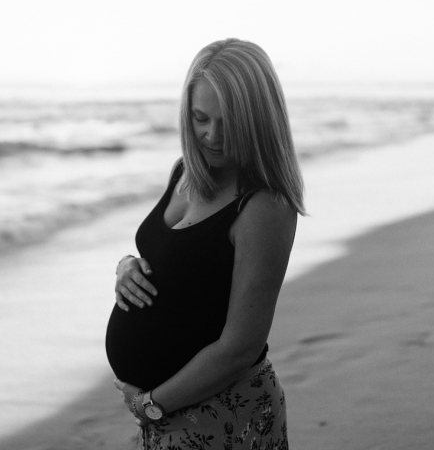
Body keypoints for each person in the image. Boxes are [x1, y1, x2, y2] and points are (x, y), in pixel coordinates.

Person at [105, 38, 305, 449]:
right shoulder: (185, 173)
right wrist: (126, 266)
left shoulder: (264, 205)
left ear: (259, 119)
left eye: (229, 122)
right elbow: (167, 255)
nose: (212, 136)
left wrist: (151, 405)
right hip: (172, 413)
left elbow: (239, 347)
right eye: (200, 118)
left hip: (223, 414)